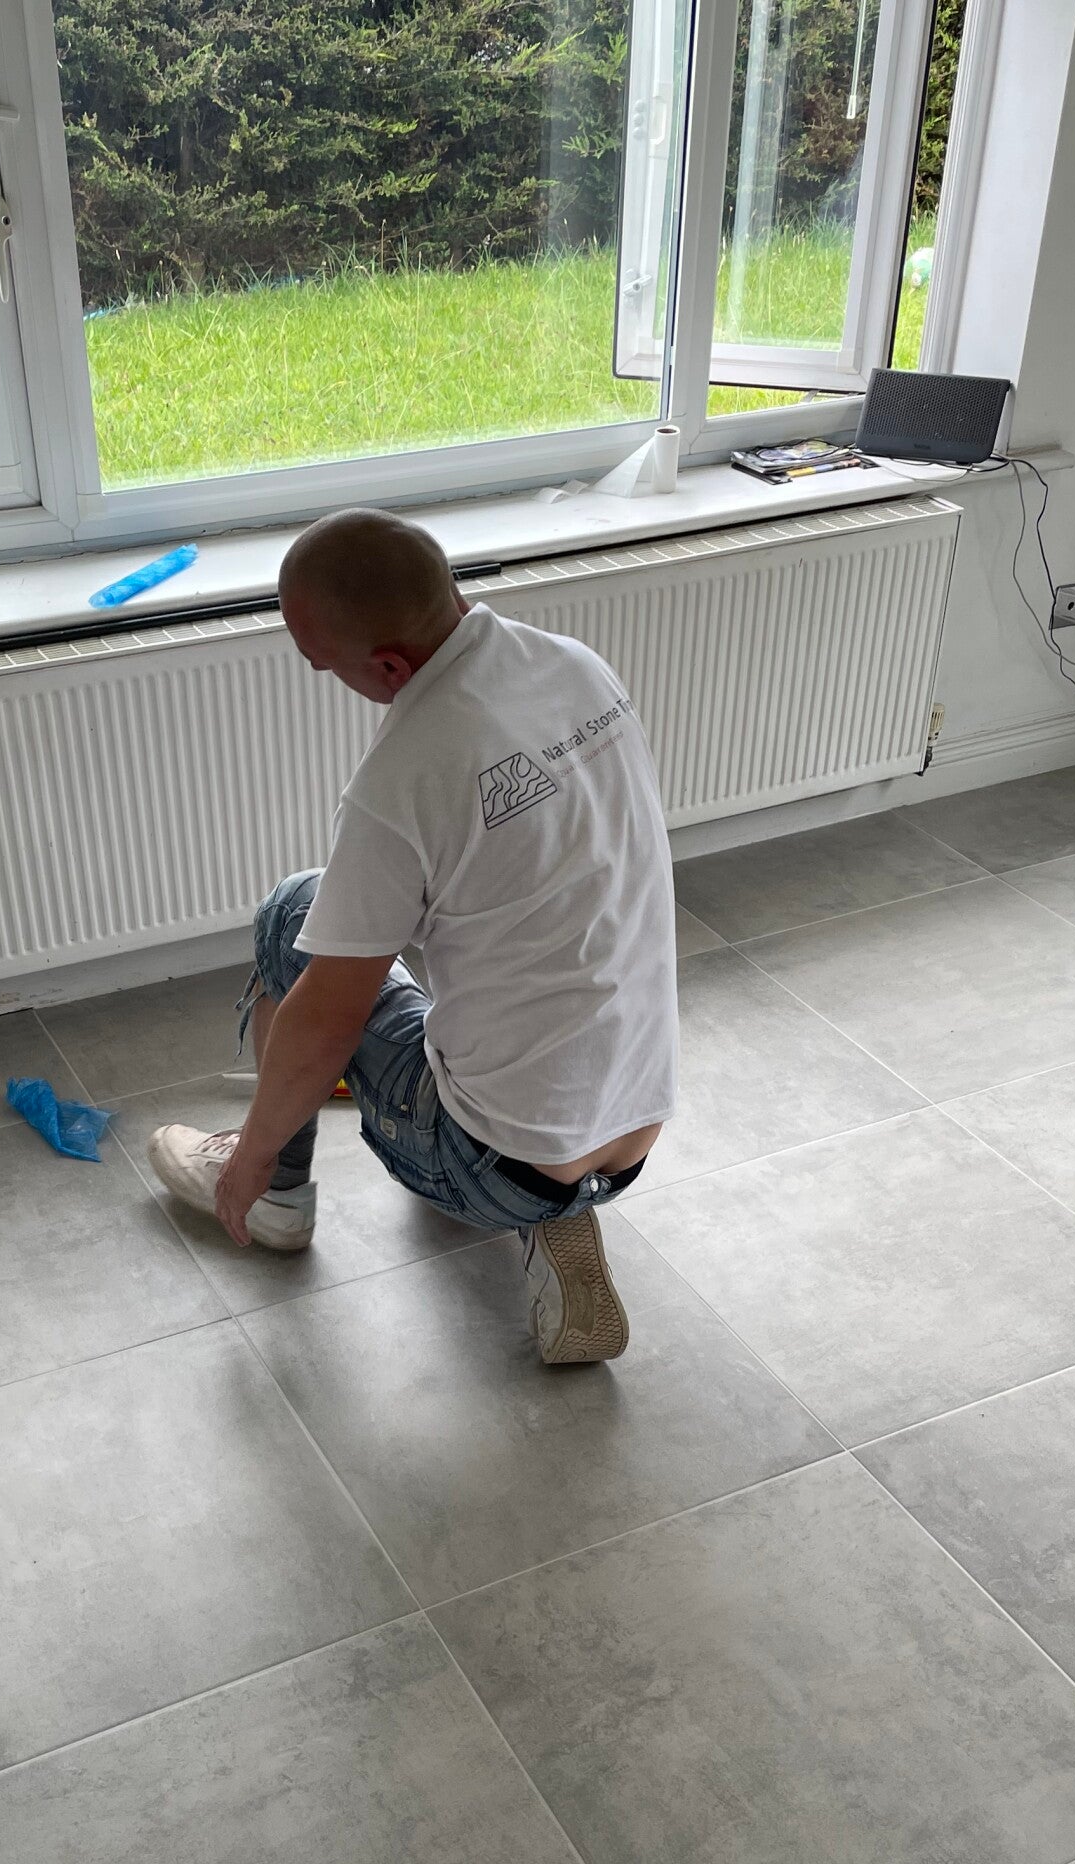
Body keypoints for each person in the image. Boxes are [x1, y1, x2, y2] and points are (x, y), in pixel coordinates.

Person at [148, 507, 678, 1363]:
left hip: (491, 1165)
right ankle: (558, 1200)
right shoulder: (574, 667)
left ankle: (278, 1196)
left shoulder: (404, 775)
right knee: (423, 929)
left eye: (328, 667)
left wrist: (251, 1157)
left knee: (295, 913)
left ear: (390, 665)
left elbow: (327, 1020)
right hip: (635, 1131)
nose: (330, 679)